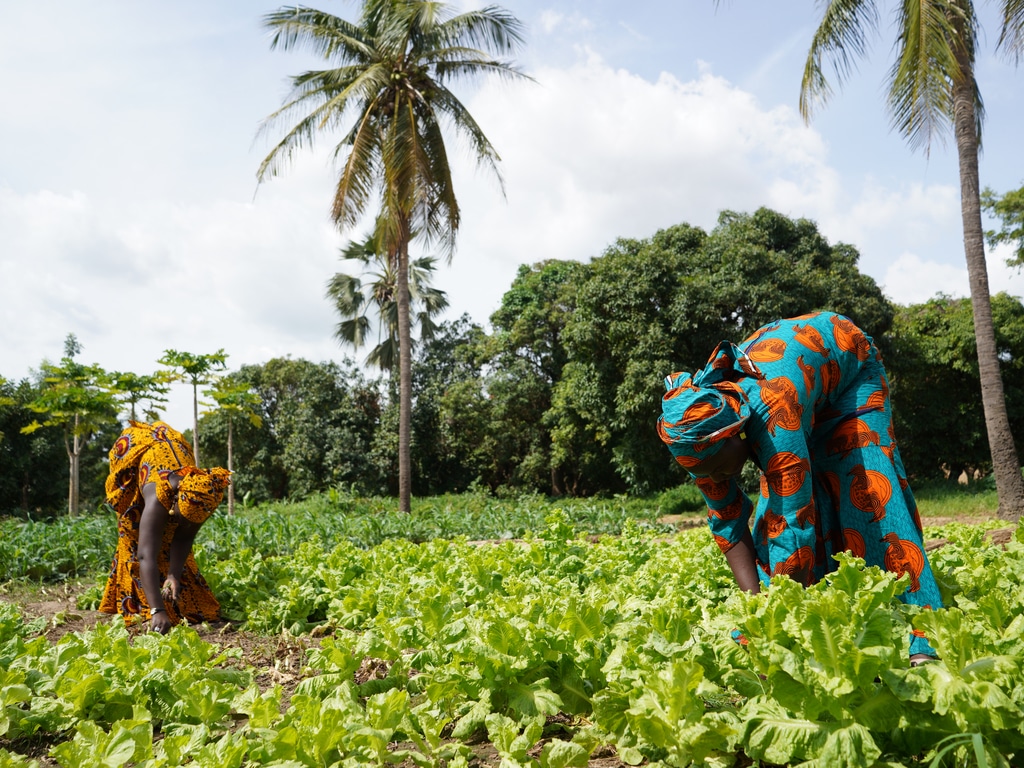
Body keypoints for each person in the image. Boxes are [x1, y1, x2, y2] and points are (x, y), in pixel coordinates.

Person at [657, 311, 941, 662]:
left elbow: (793, 517)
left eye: (718, 468)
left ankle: (917, 630)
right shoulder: (696, 437)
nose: (715, 479)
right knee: (778, 519)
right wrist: (757, 609)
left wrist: (779, 619)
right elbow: (726, 522)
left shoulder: (773, 409)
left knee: (866, 489)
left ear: (737, 435)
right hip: (801, 385)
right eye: (702, 475)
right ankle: (836, 615)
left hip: (848, 368)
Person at [99, 420, 231, 634]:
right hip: (136, 464)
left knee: (172, 543)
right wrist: (157, 609)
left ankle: (168, 585)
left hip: (171, 456)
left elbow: (184, 536)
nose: (185, 523)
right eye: (183, 516)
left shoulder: (199, 493)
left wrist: (173, 575)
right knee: (136, 538)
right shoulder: (155, 497)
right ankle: (142, 604)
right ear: (176, 498)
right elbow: (144, 556)